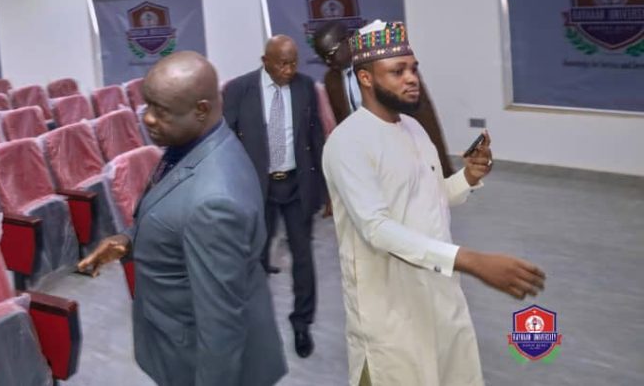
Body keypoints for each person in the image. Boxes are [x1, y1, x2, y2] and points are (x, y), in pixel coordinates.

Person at [322, 21, 545, 386]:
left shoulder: (413, 129)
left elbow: (431, 196)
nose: (412, 78)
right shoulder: (348, 142)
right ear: (365, 78)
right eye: (397, 71)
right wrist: (471, 260)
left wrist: (468, 176)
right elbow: (376, 229)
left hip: (441, 299)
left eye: (413, 68)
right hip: (390, 317)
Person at [78, 51, 286, 386]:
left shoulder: (214, 202)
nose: (147, 119)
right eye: (147, 105)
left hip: (193, 360)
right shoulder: (198, 144)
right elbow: (175, 214)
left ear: (201, 109)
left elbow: (221, 328)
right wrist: (128, 240)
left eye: (160, 111)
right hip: (177, 334)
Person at [222, 34, 325, 358]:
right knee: (254, 259)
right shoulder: (239, 89)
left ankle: (302, 323)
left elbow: (315, 136)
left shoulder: (305, 86)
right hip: (257, 188)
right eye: (282, 64)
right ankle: (253, 324)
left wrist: (324, 188)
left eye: (293, 63)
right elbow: (225, 142)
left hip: (296, 185)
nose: (289, 70)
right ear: (265, 61)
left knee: (303, 258)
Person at [314, 20, 454, 176]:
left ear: (348, 41)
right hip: (367, 156)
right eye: (322, 57)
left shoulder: (388, 65)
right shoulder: (331, 80)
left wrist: (442, 167)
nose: (327, 62)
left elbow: (424, 115)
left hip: (402, 147)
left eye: (331, 54)